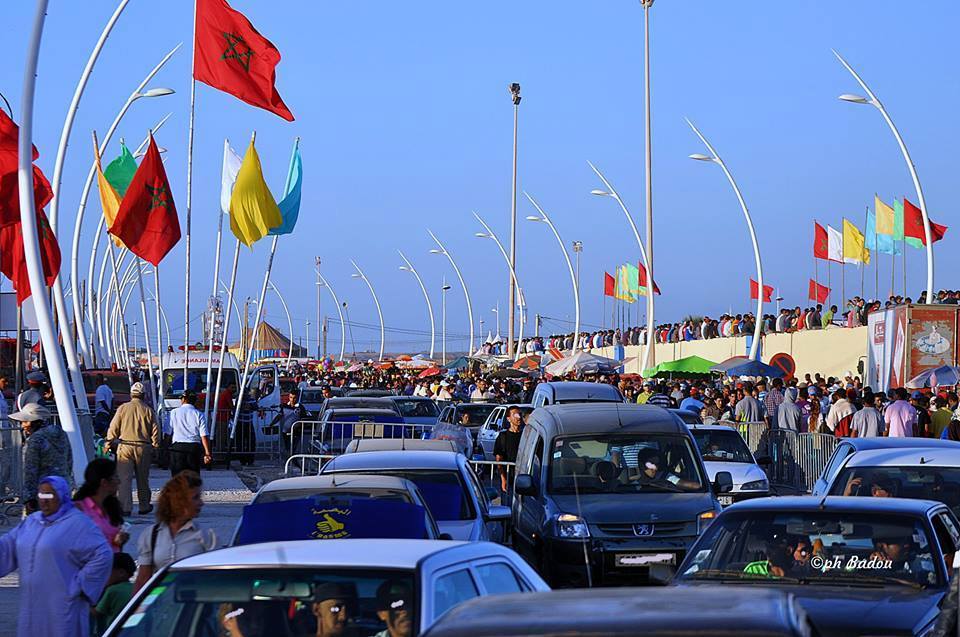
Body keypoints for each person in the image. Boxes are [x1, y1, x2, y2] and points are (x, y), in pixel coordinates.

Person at [0, 475, 113, 637]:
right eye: (41, 495)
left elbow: (102, 554)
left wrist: (80, 585)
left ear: (61, 495)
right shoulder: (32, 522)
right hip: (32, 605)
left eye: (50, 495)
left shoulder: (78, 523)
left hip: (63, 606)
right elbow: (8, 547)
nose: (44, 500)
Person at [133, 470, 216, 593]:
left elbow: (215, 581)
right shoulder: (151, 535)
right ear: (179, 500)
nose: (201, 503)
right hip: (160, 601)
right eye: (195, 498)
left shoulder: (207, 536)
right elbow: (143, 580)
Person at [106, 382, 160, 515]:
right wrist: (155, 446)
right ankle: (144, 506)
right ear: (143, 395)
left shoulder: (123, 408)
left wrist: (108, 443)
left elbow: (113, 427)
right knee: (143, 479)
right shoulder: (148, 410)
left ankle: (125, 507)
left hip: (125, 446)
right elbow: (156, 430)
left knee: (124, 479)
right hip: (143, 447)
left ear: (131, 394)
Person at [11, 402, 72, 513]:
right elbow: (69, 460)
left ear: (36, 422)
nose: (22, 425)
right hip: (63, 487)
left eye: (25, 421)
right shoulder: (62, 434)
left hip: (44, 492)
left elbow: (30, 471)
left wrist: (29, 498)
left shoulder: (35, 440)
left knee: (42, 520)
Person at [73, 458, 129, 552]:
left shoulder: (111, 507)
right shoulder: (79, 510)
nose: (119, 481)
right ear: (104, 482)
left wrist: (119, 540)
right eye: (115, 477)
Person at [168, 390, 212, 476]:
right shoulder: (199, 414)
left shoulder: (173, 413)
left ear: (183, 399)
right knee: (193, 478)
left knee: (177, 478)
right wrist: (207, 453)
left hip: (178, 448)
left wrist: (164, 449)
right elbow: (204, 435)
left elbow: (167, 432)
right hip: (194, 448)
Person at [93, 552, 136, 635]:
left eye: (107, 571)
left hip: (114, 631)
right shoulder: (135, 587)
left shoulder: (112, 590)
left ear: (121, 573)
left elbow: (96, 612)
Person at [494, 407, 524, 493]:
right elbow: (499, 459)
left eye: (520, 414)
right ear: (508, 419)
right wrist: (503, 479)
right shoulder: (503, 436)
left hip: (524, 476)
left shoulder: (525, 435)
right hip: (509, 476)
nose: (518, 417)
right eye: (515, 415)